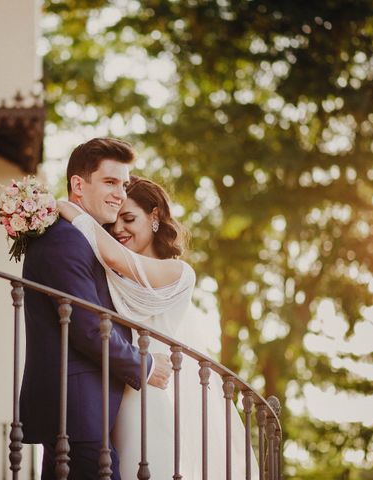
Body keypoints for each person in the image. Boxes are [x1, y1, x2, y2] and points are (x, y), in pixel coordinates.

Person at [58, 175, 259, 478]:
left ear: (154, 216)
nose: (119, 229)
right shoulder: (110, 272)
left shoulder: (178, 272)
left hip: (147, 396)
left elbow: (114, 255)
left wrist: (67, 207)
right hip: (108, 395)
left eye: (129, 218)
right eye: (114, 223)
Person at [20, 138, 173, 480]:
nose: (120, 193)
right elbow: (89, 327)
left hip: (83, 408)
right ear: (78, 184)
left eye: (124, 184)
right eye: (110, 182)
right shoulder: (65, 239)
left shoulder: (84, 237)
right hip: (76, 408)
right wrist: (144, 364)